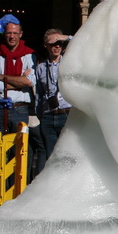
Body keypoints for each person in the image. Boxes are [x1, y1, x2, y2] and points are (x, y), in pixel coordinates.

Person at [31, 29, 73, 176]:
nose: (56, 46)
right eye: (52, 44)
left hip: (66, 114)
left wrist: (64, 37)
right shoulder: (40, 67)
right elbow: (39, 94)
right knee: (51, 156)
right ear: (45, 45)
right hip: (48, 116)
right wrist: (40, 116)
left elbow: (84, 43)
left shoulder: (69, 63)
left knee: (68, 154)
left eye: (59, 43)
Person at [0, 18, 35, 132]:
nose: (12, 36)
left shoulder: (29, 55)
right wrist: (20, 82)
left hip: (21, 108)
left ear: (21, 34)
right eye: (9, 33)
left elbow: (30, 81)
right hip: (0, 108)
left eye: (15, 33)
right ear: (4, 34)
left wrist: (1, 77)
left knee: (20, 142)